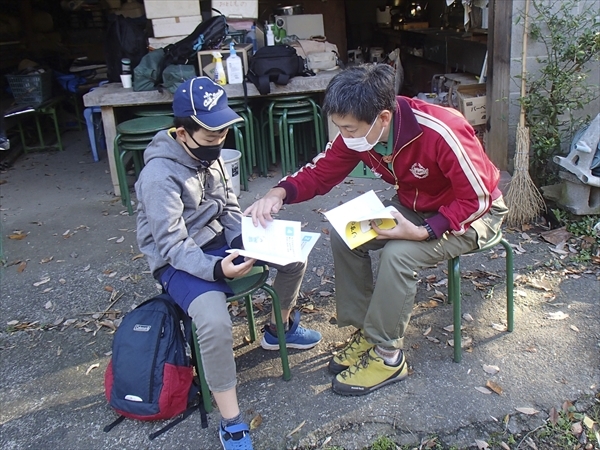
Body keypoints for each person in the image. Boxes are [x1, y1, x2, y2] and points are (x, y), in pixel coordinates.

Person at [245, 64, 507, 397]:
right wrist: (278, 192)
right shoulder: (361, 134)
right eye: (340, 127)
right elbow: (321, 172)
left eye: (349, 129)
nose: (344, 135)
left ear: (383, 118)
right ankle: (368, 330)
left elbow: (479, 197)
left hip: (472, 215)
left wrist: (426, 230)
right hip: (415, 206)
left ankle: (388, 356)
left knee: (399, 254)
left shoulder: (442, 129)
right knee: (345, 232)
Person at [134, 77, 321, 449]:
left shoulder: (212, 155)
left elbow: (231, 208)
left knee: (293, 256)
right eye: (209, 137)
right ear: (182, 133)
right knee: (214, 320)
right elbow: (171, 243)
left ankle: (277, 329)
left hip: (220, 243)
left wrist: (244, 242)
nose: (218, 144)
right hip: (178, 259)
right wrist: (217, 270)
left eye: (222, 134)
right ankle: (231, 419)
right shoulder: (158, 175)